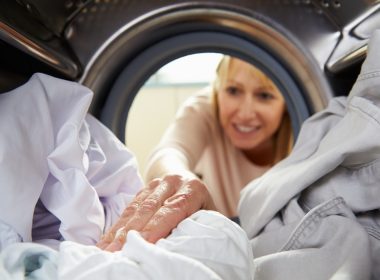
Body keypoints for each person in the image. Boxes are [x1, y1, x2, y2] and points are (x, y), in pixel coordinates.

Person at [144, 55, 293, 218]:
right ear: (218, 90)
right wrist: (184, 184)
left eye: (264, 96)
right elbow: (168, 153)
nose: (245, 113)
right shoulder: (205, 108)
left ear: (286, 104)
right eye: (233, 91)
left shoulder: (306, 128)